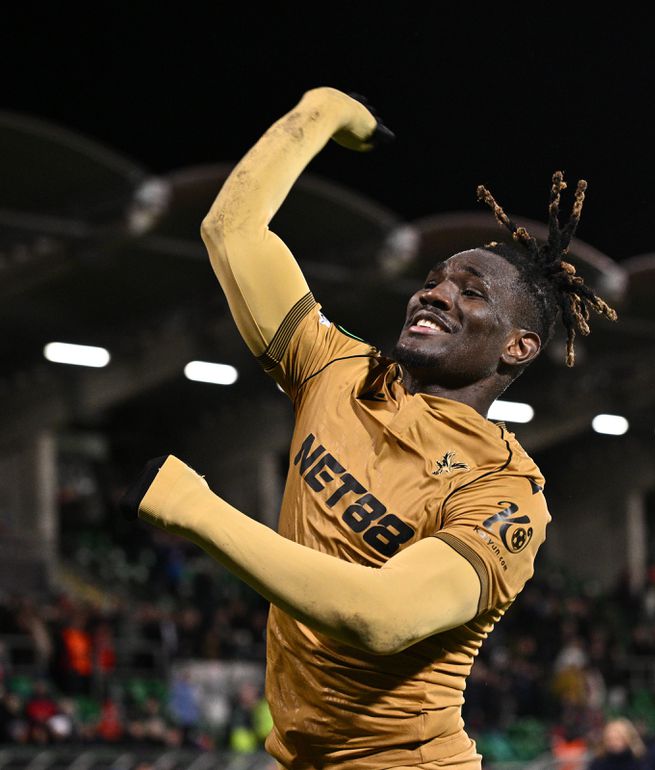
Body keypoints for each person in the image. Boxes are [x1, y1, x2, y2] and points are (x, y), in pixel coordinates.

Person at [120, 87, 617, 770]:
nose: (435, 293)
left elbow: (383, 617)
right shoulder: (335, 368)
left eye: (470, 293)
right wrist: (321, 113)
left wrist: (200, 512)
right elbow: (233, 232)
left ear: (519, 347)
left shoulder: (505, 494)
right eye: (436, 280)